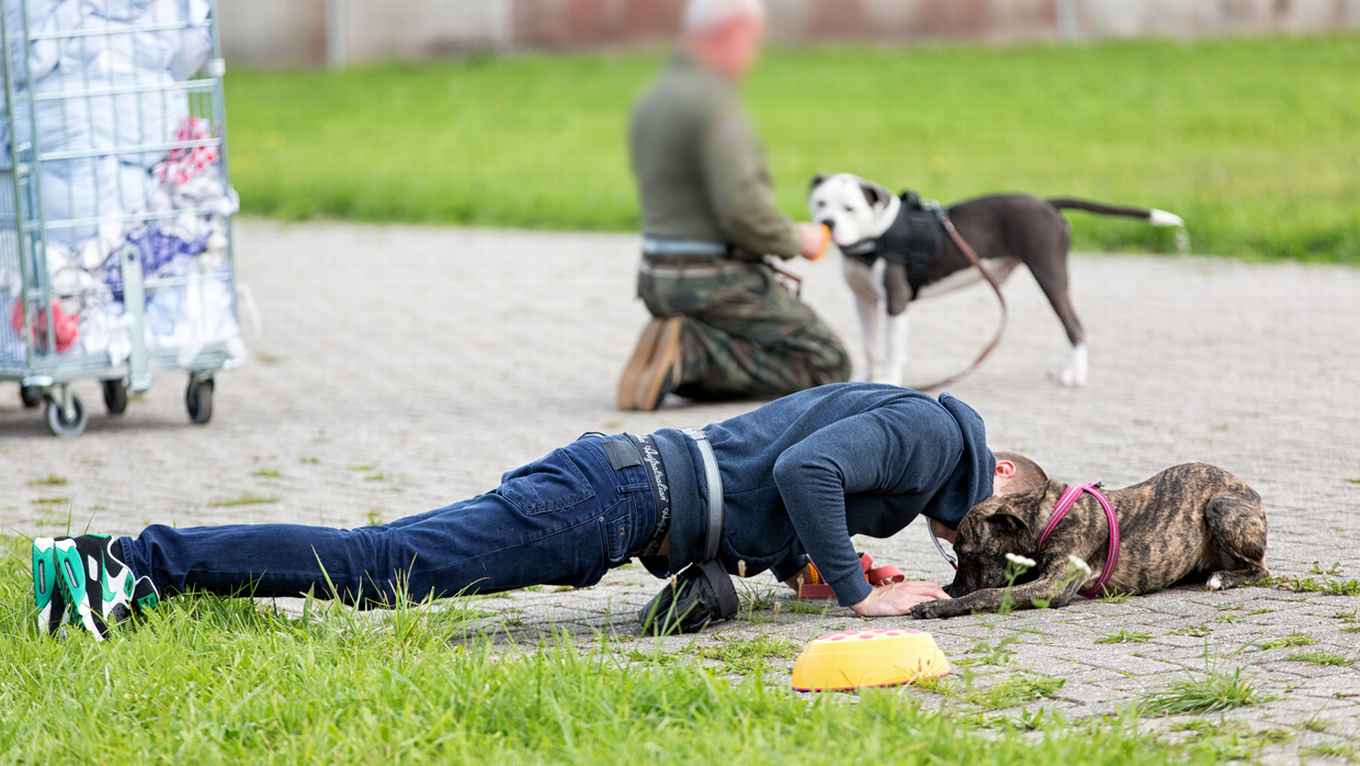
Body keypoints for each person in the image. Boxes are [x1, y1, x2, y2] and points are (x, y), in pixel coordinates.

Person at [30, 383, 1047, 639]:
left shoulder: (923, 450)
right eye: (1003, 525)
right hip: (611, 500)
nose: (975, 546)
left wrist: (810, 567)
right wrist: (857, 604)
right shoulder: (934, 437)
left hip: (618, 498)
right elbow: (808, 472)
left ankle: (128, 569)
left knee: (383, 566)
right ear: (998, 473)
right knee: (379, 566)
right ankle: (126, 561)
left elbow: (779, 476)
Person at [617, 0, 851, 412]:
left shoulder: (653, 98)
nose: (753, 55)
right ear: (732, 32)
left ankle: (679, 342)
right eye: (752, 41)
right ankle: (691, 352)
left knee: (764, 344)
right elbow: (743, 212)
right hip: (713, 280)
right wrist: (798, 238)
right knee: (827, 363)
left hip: (658, 276)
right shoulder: (713, 106)